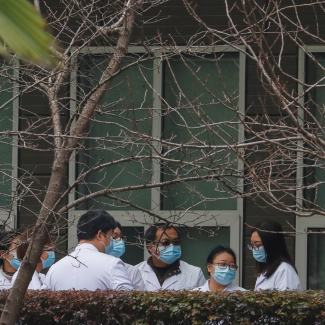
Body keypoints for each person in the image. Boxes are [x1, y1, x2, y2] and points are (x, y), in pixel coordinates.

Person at [43, 210, 133, 291]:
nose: (111, 241)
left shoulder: (55, 269)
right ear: (100, 235)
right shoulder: (112, 264)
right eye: (111, 235)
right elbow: (128, 302)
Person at [136, 223, 206, 291]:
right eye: (165, 242)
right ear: (150, 247)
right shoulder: (136, 272)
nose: (172, 246)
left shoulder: (195, 273)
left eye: (175, 242)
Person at [249, 219, 301, 291]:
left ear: (272, 244)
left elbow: (286, 301)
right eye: (252, 245)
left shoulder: (285, 271)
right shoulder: (265, 270)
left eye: (258, 245)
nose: (254, 249)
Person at [110, 222, 145, 290]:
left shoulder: (132, 271)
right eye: (115, 237)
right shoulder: (91, 266)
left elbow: (140, 298)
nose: (119, 241)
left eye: (121, 237)